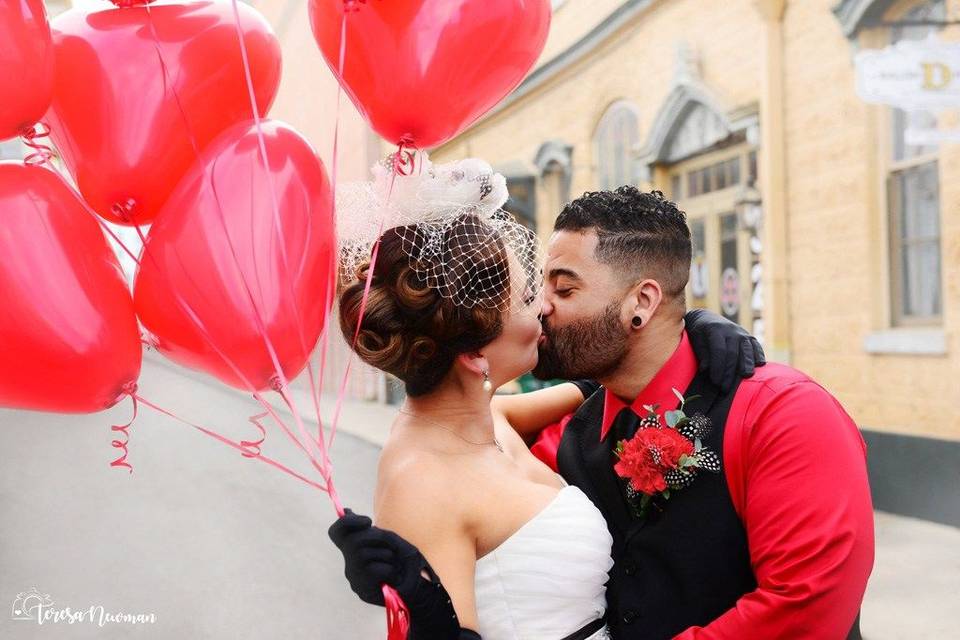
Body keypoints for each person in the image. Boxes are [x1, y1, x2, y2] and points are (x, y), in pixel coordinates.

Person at [329, 158, 763, 640]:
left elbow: (601, 382)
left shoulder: (493, 416)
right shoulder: (420, 481)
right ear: (474, 353)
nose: (543, 305)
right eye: (526, 297)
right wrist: (427, 618)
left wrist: (691, 330)